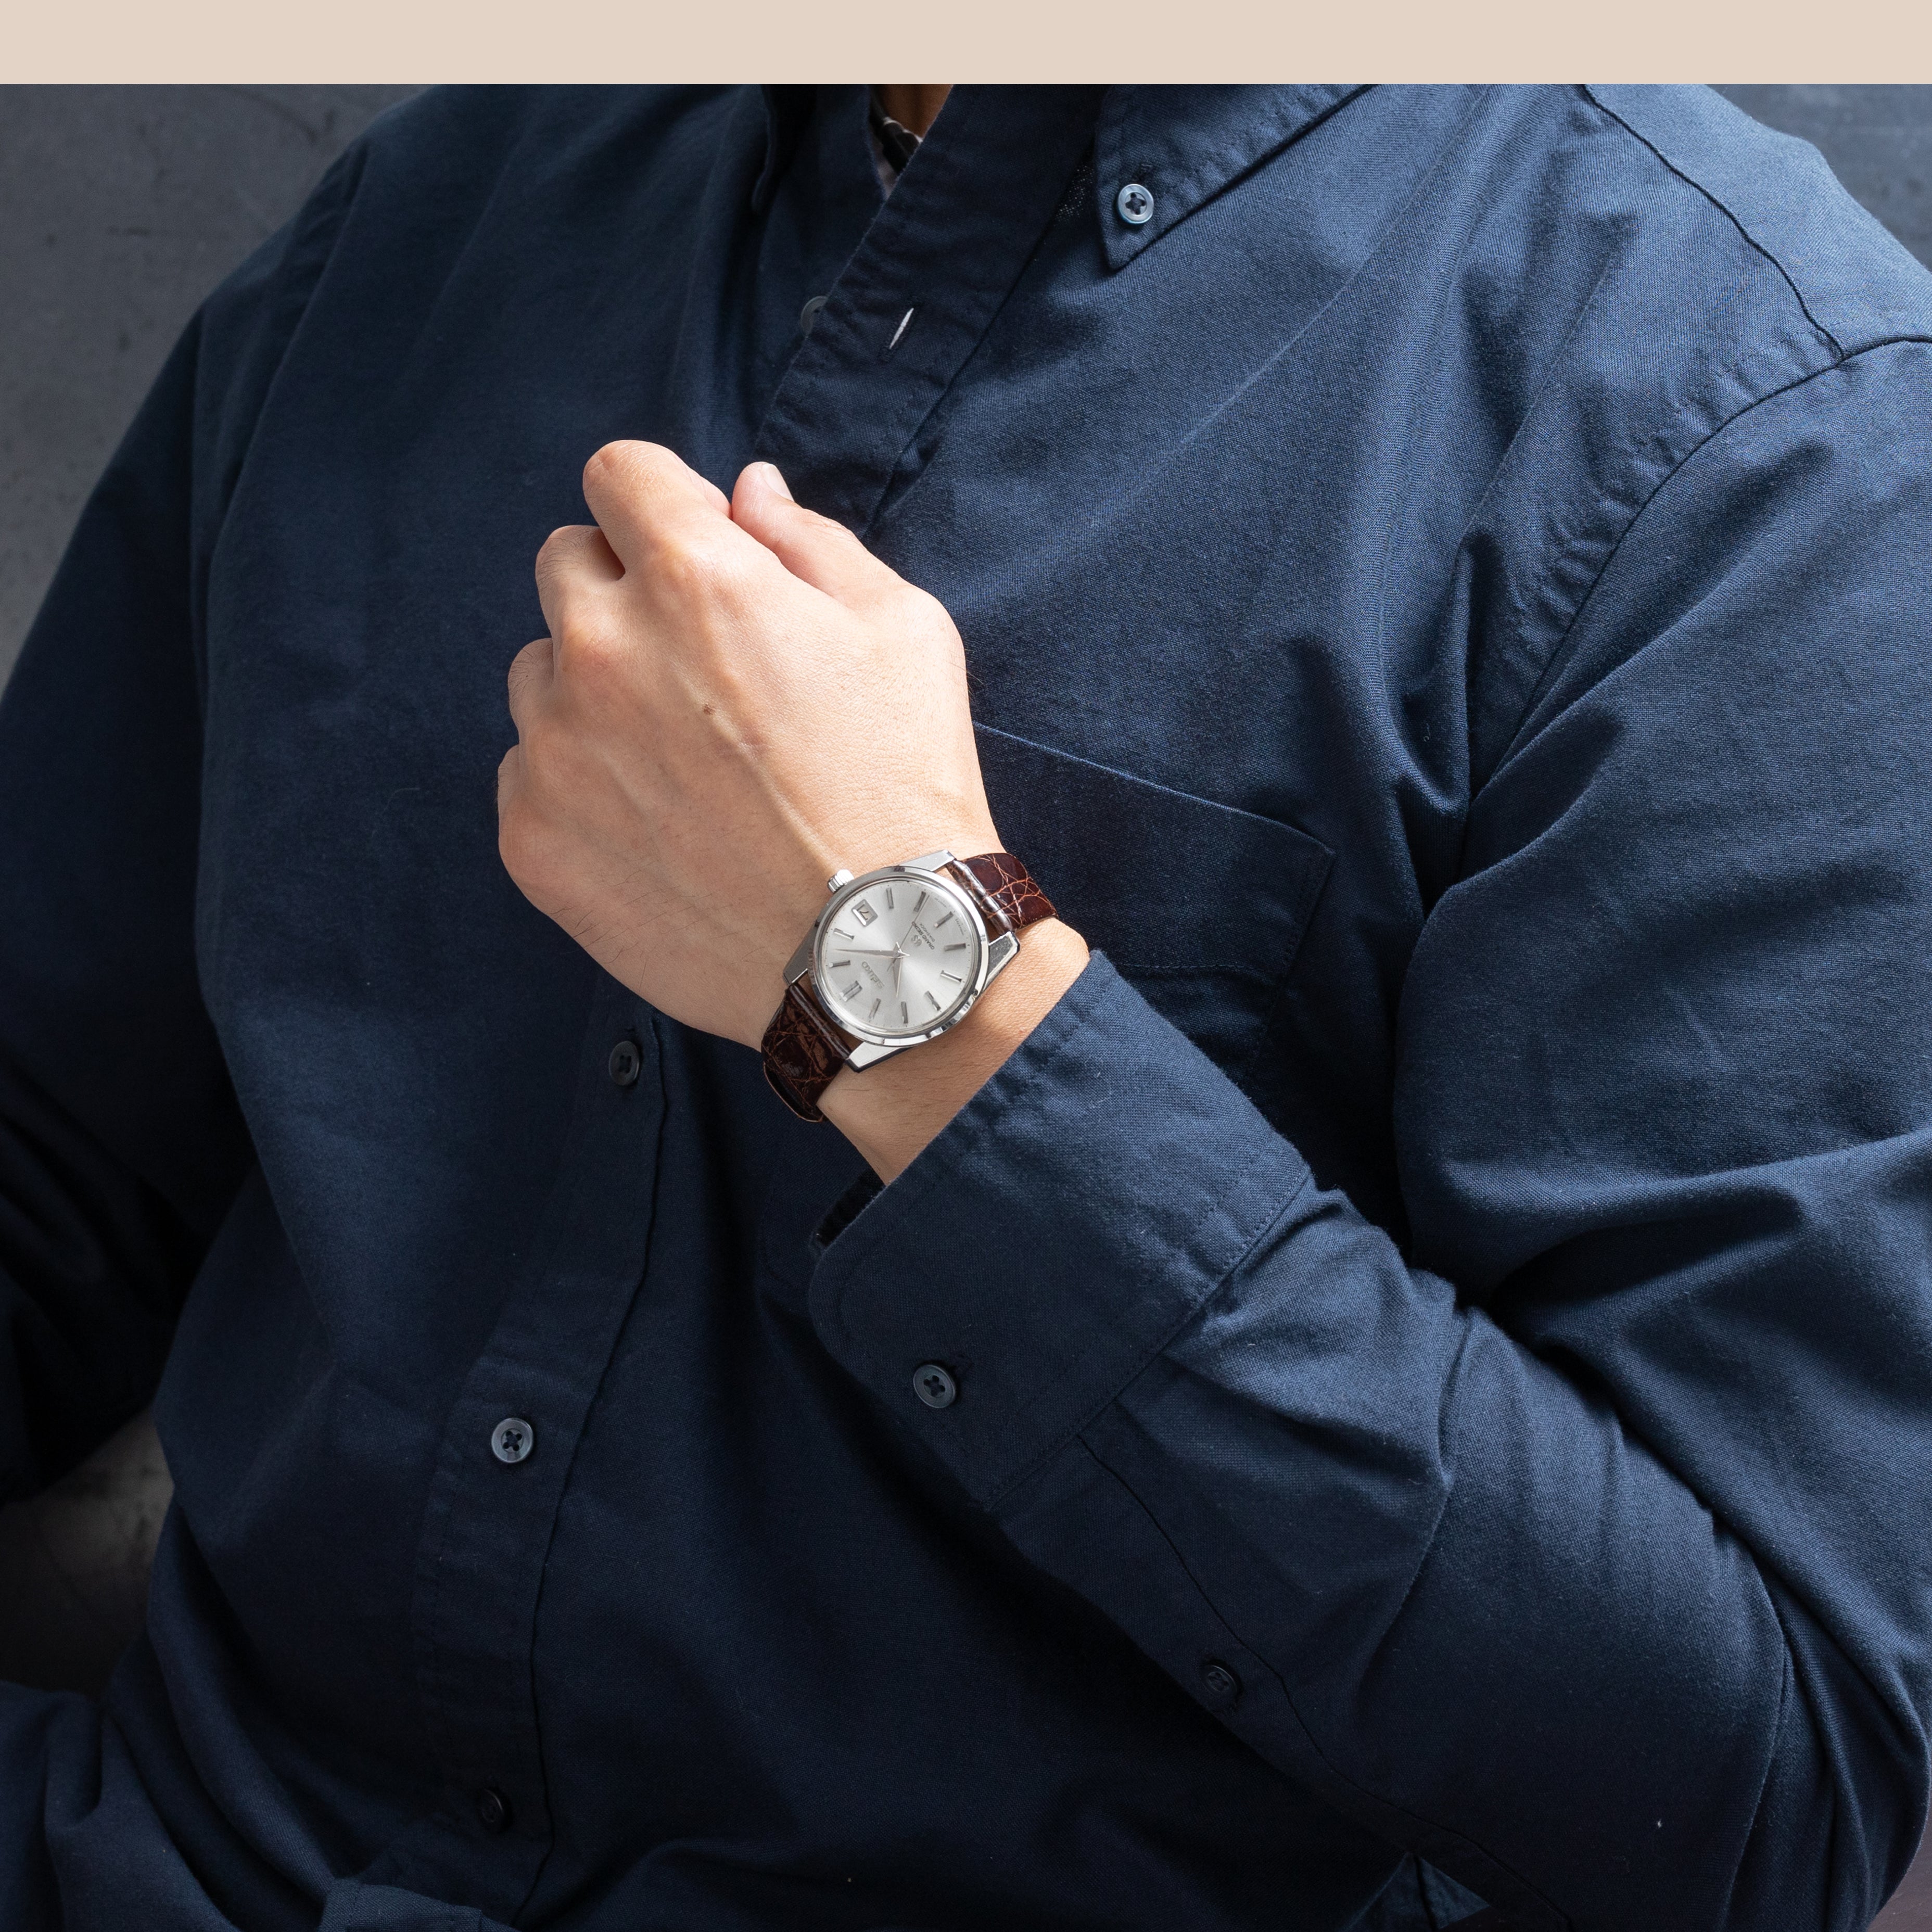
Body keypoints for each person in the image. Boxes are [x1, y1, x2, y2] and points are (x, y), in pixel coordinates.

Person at [0, 79, 1928, 1932]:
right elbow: (50, 1168)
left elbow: (1757, 1792)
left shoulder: (1761, 430)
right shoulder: (419, 227)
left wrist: (902, 973)